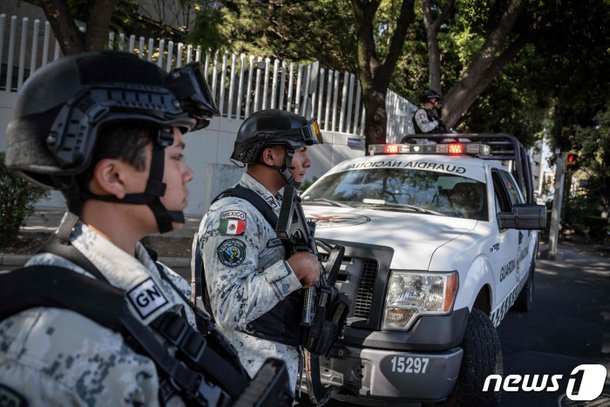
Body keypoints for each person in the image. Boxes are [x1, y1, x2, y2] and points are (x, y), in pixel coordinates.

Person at [0, 51, 290, 406]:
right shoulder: (40, 341)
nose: (188, 173)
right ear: (114, 176)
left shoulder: (157, 278)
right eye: (177, 156)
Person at [192, 109, 322, 393]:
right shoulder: (235, 216)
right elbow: (227, 307)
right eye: (299, 151)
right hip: (247, 378)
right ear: (270, 156)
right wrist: (293, 270)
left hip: (273, 375)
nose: (307, 161)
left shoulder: (277, 207)